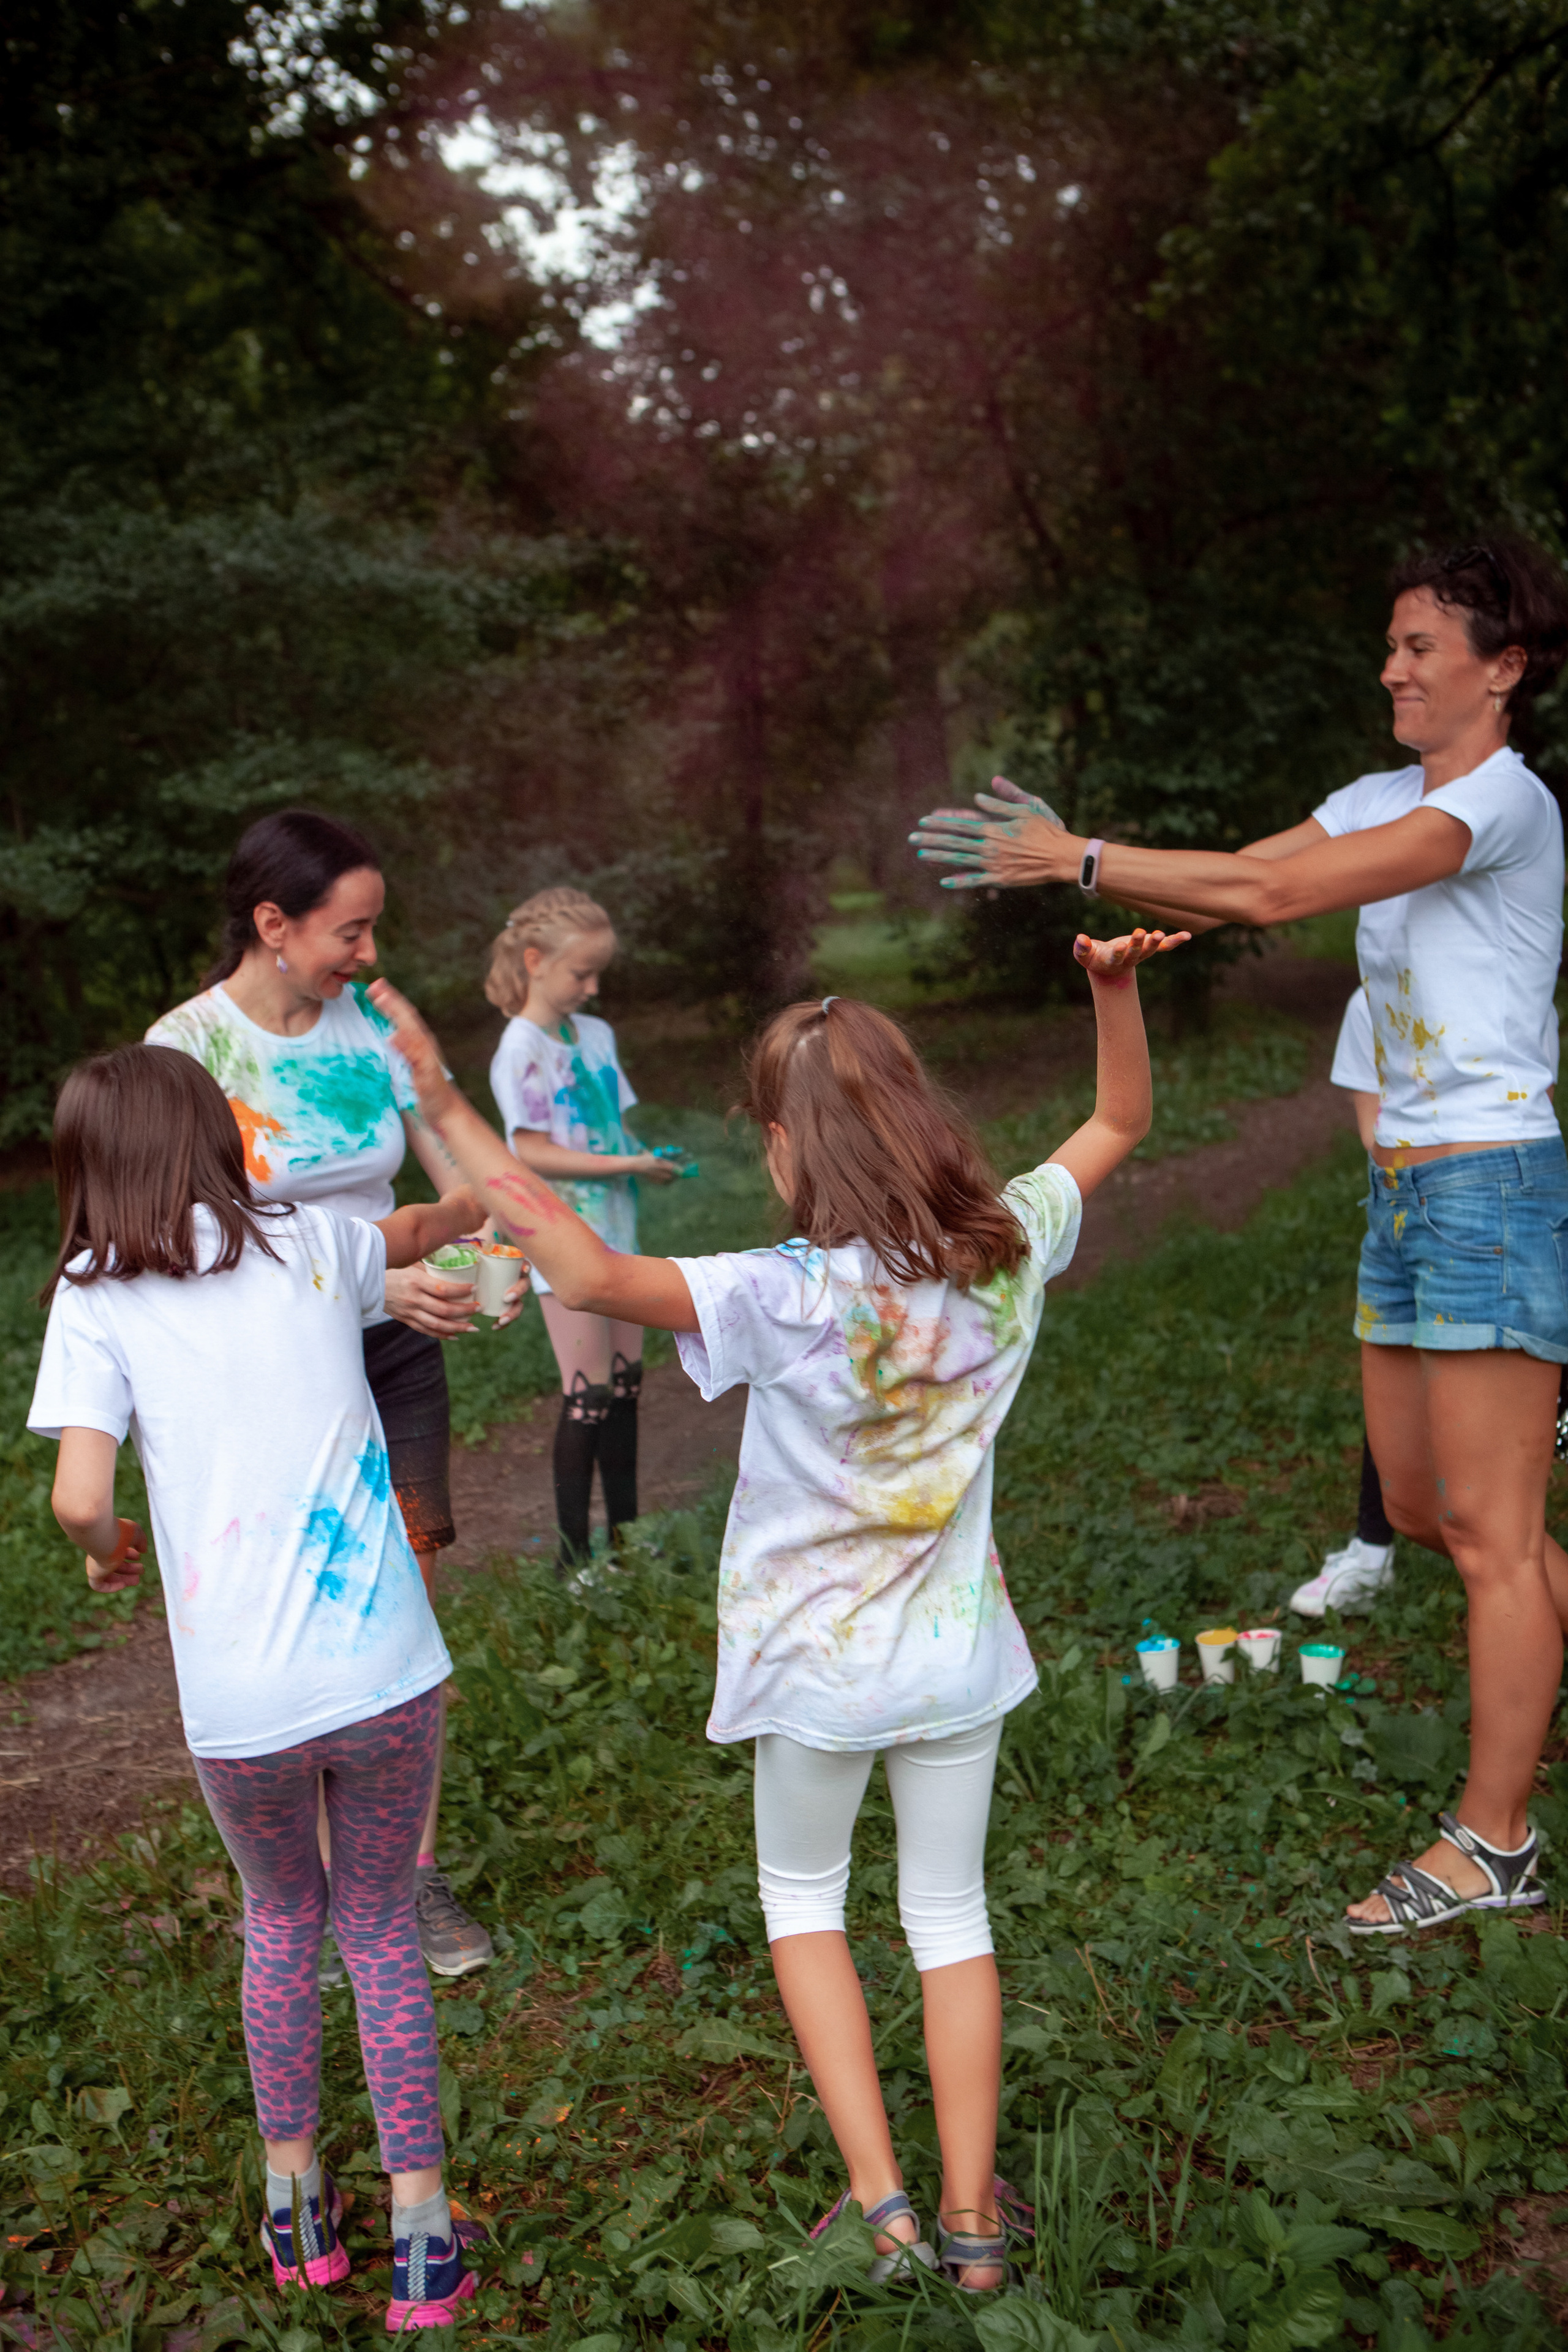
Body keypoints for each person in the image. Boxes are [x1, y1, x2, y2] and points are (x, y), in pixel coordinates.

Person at [366, 921, 1186, 2291]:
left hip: (815, 1674)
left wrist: (446, 1104)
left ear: (789, 1149)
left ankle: (883, 2215)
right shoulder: (1012, 1245)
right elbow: (1120, 1115)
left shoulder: (784, 1293)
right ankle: (978, 2222)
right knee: (952, 1918)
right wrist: (1113, 989)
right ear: (916, 1114)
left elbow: (575, 1270)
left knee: (803, 1902)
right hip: (956, 1661)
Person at [911, 534, 1568, 1936]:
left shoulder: (1502, 803)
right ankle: (1531, 1642)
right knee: (1415, 1506)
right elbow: (1229, 873)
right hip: (1405, 1192)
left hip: (1489, 1183)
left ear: (1499, 669)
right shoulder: (1377, 793)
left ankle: (1492, 1838)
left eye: (1416, 648)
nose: (1387, 668)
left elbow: (1271, 899)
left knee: (1490, 1534)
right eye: (1385, 644)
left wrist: (1078, 854)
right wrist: (1103, 912)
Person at [29, 1044, 485, 2328]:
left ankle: (295, 2214)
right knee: (382, 1926)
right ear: (219, 1141)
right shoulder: (308, 1239)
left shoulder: (93, 1296)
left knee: (283, 1924)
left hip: (242, 1709)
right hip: (387, 1669)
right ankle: (422, 2237)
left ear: (86, 1169)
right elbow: (392, 1269)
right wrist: (433, 1269)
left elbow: (79, 1494)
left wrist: (106, 1550)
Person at [148, 810, 502, 1980]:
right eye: (349, 931)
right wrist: (364, 1279)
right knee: (300, 1605)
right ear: (272, 924)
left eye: (371, 929)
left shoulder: (371, 1030)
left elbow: (447, 1167)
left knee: (399, 1604)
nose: (366, 952)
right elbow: (184, 1242)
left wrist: (471, 1255)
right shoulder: (187, 1049)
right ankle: (307, 1884)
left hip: (396, 1349)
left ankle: (404, 1877)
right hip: (271, 1372)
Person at [484, 888, 679, 1575]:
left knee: (626, 1387)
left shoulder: (595, 1037)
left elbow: (613, 1124)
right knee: (586, 1393)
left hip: (620, 1234)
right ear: (535, 962)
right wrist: (625, 1162)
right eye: (581, 973)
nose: (592, 987)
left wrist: (646, 1159)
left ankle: (623, 1545)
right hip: (562, 1241)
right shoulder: (521, 1048)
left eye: (599, 973)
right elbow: (529, 1148)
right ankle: (572, 1562)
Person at [1289, 989, 1397, 1618]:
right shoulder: (1368, 1005)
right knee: (1393, 1387)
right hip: (1401, 1220)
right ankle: (1373, 1546)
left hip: (1510, 1210)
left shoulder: (1504, 975)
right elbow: (1375, 1136)